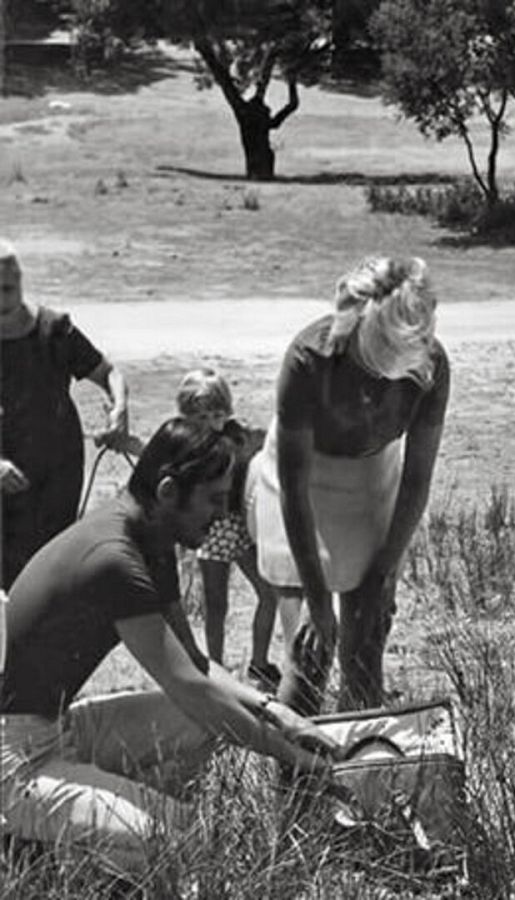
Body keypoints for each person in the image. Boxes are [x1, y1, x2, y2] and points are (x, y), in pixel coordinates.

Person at [0, 418, 340, 877]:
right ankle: (36, 848)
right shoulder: (114, 559)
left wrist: (275, 711)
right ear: (166, 491)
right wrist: (294, 757)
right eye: (213, 500)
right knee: (178, 841)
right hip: (15, 760)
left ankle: (110, 811)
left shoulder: (149, 538)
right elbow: (189, 689)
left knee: (200, 728)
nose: (222, 515)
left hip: (61, 729)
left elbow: (197, 664)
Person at [247, 255, 450, 716]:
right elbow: (295, 491)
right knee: (309, 652)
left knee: (365, 642)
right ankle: (295, 777)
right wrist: (319, 600)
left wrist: (384, 571)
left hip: (374, 480)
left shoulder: (432, 365)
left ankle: (361, 769)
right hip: (306, 485)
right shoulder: (309, 359)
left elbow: (416, 480)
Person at [0, 240, 133, 588]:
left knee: (51, 566)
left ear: (20, 280)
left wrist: (119, 408)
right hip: (4, 475)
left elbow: (108, 373)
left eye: (7, 287)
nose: (1, 295)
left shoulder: (54, 329)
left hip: (57, 471)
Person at [175, 368, 290, 690]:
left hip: (241, 526)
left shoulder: (237, 435)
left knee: (269, 593)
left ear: (227, 411)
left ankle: (259, 663)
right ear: (187, 417)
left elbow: (267, 442)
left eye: (216, 414)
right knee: (216, 604)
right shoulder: (187, 446)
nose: (210, 423)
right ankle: (215, 666)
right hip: (210, 531)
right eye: (200, 417)